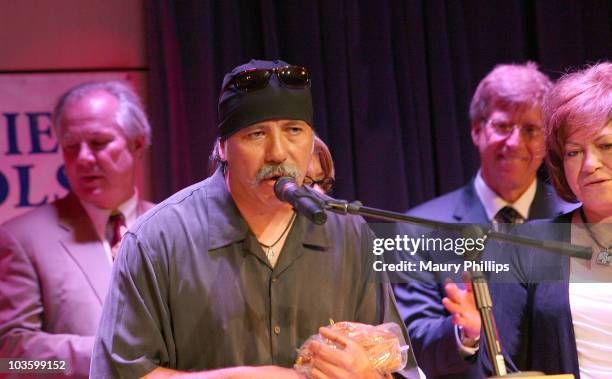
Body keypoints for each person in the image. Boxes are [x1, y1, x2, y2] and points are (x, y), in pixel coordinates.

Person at [90, 59, 421, 379]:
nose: (278, 152)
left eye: (294, 130)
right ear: (222, 147)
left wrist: (365, 376)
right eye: (256, 134)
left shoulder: (349, 231)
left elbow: (396, 365)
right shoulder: (156, 239)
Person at [392, 63, 575, 379]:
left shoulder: (577, 219)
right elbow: (410, 342)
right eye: (503, 127)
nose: (515, 143)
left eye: (531, 130)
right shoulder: (417, 227)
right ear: (477, 130)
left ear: (547, 141)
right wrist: (465, 334)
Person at [0, 81, 155, 378]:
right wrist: (108, 358)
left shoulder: (175, 227)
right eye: (71, 146)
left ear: (137, 144)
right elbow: (10, 359)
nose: (83, 158)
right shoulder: (21, 239)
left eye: (98, 143)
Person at [488, 61, 612, 378]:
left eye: (605, 145)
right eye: (573, 152)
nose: (589, 164)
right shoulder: (523, 247)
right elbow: (502, 367)